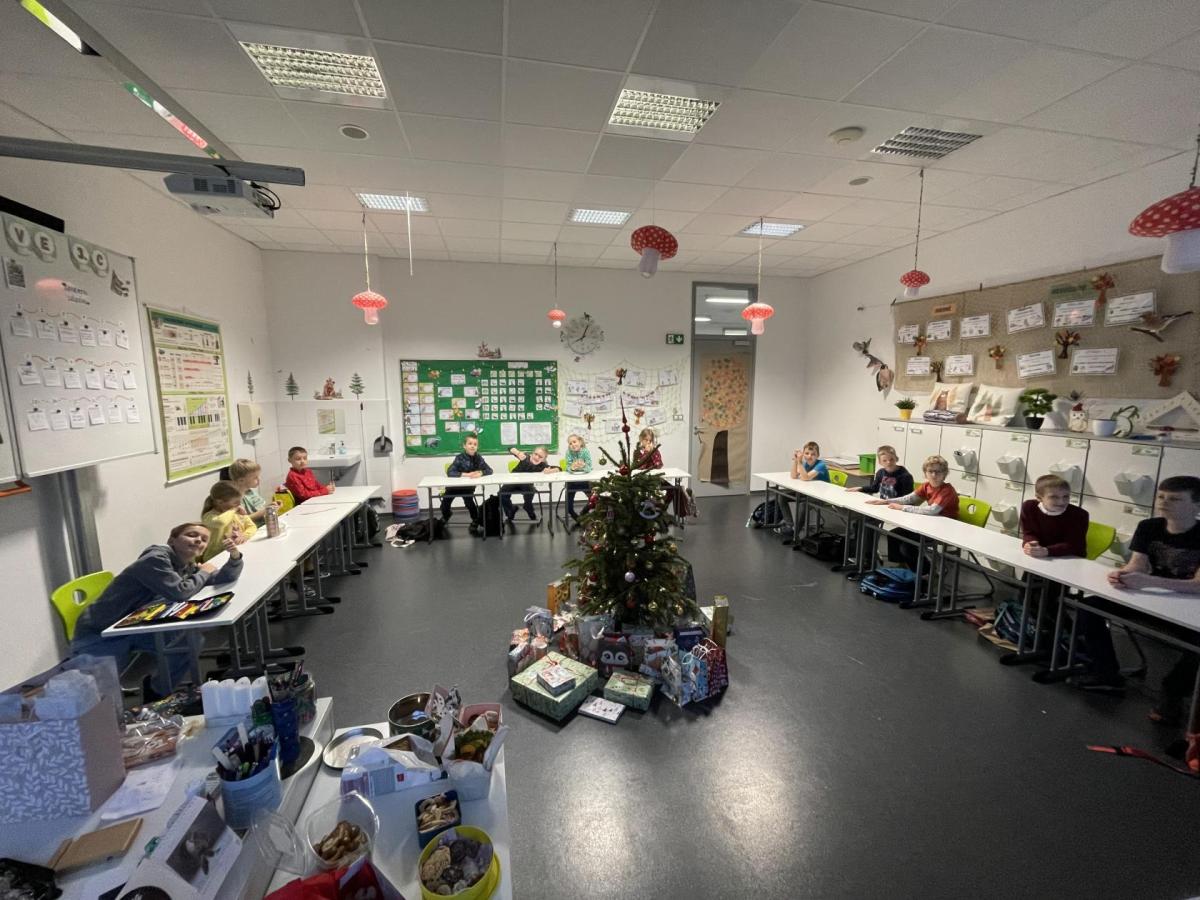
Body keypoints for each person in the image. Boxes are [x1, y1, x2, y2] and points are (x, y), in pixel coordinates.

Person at [71, 522, 243, 697]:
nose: (199, 540)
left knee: (191, 640)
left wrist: (235, 558)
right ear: (172, 540)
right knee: (93, 698)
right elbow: (180, 592)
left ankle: (156, 691)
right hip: (101, 632)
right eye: (192, 535)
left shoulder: (184, 564)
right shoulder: (155, 559)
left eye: (204, 539)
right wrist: (204, 572)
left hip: (135, 625)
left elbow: (220, 578)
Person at [1105, 476, 1200, 719]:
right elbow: (1137, 564)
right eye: (1161, 497)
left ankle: (1172, 694)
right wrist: (1124, 575)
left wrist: (1150, 581)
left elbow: (1198, 586)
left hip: (1190, 606)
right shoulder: (1149, 526)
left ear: (1196, 505)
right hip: (1152, 599)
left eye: (1175, 499)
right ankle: (1104, 672)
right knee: (1090, 607)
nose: (1163, 503)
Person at [869, 454, 958, 569]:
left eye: (938, 472)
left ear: (944, 474)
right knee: (893, 535)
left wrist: (902, 508)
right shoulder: (926, 486)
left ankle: (926, 572)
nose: (934, 475)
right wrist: (886, 501)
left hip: (944, 529)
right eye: (930, 471)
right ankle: (900, 567)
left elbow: (932, 510)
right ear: (925, 473)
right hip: (931, 524)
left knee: (907, 545)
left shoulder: (947, 490)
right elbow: (908, 499)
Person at [777, 442, 830, 541]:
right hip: (808, 493)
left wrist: (800, 463)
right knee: (782, 496)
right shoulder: (805, 464)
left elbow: (806, 477)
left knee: (803, 505)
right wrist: (796, 461)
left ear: (818, 455)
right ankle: (790, 525)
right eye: (807, 453)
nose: (809, 456)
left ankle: (795, 532)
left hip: (820, 496)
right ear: (803, 454)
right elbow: (793, 476)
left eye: (813, 454)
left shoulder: (821, 465)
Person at [442, 432, 492, 532]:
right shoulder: (459, 458)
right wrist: (467, 474)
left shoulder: (478, 458)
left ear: (477, 447)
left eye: (475, 444)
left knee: (469, 503)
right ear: (464, 446)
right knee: (444, 504)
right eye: (470, 443)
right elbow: (450, 472)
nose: (472, 446)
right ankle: (447, 515)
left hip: (467, 487)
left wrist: (481, 473)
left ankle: (475, 520)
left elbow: (489, 470)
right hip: (453, 487)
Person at [502, 446, 558, 527]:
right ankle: (511, 510)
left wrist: (551, 470)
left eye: (540, 457)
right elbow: (510, 448)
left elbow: (559, 468)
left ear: (544, 459)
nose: (536, 457)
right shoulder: (525, 457)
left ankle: (528, 507)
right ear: (532, 454)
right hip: (513, 481)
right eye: (535, 454)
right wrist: (517, 452)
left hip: (526, 485)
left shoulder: (543, 465)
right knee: (502, 493)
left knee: (530, 490)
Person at [201, 481, 256, 561]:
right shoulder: (209, 516)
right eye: (235, 502)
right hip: (216, 557)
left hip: (236, 553)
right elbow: (221, 522)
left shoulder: (237, 512)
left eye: (240, 501)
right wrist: (234, 509)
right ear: (220, 502)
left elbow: (252, 526)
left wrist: (244, 535)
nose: (239, 505)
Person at [847, 445, 913, 501]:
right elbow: (875, 488)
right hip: (884, 504)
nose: (888, 462)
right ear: (880, 462)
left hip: (897, 507)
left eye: (891, 459)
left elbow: (907, 498)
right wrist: (860, 488)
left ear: (896, 459)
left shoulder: (905, 476)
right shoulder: (880, 473)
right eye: (884, 460)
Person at [229, 458, 275, 525]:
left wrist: (271, 506)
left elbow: (259, 509)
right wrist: (265, 510)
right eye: (255, 478)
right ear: (241, 480)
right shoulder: (235, 499)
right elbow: (242, 520)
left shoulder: (250, 492)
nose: (259, 479)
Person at [563, 433, 593, 524]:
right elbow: (567, 467)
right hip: (571, 482)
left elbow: (589, 467)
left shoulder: (585, 451)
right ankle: (577, 519)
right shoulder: (568, 452)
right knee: (568, 508)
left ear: (580, 442)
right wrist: (572, 468)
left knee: (594, 500)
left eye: (574, 442)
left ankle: (583, 513)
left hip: (584, 481)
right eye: (570, 443)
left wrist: (583, 466)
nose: (572, 444)